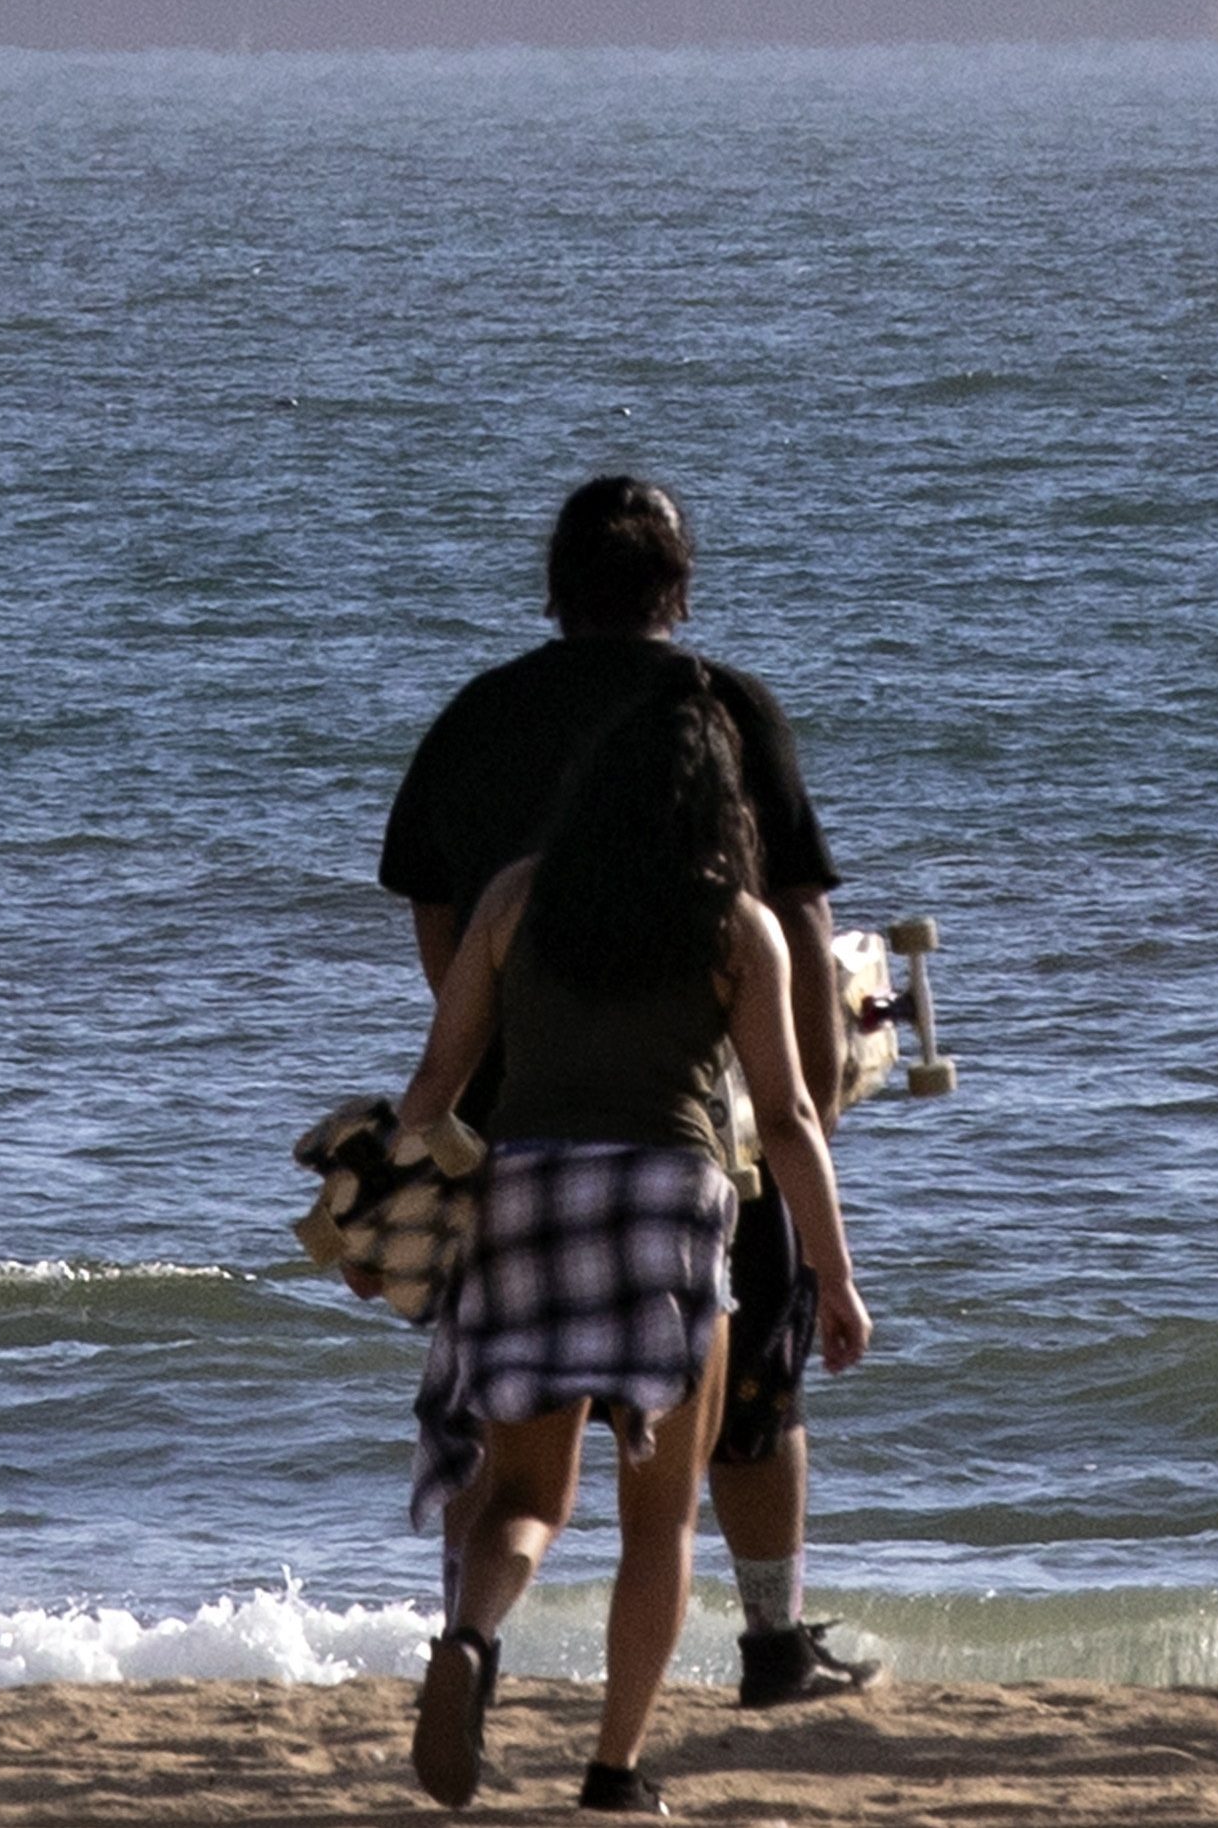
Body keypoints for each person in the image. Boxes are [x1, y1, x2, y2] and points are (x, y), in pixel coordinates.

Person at [377, 475, 879, 1711]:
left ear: (554, 587)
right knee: (749, 1401)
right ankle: (770, 1642)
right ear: (679, 587)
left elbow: (429, 898)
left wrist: (485, 1030)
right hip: (698, 1134)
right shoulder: (719, 709)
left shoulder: (479, 715)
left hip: (511, 1127)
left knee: (512, 1445)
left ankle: (467, 1639)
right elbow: (803, 919)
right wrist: (798, 1094)